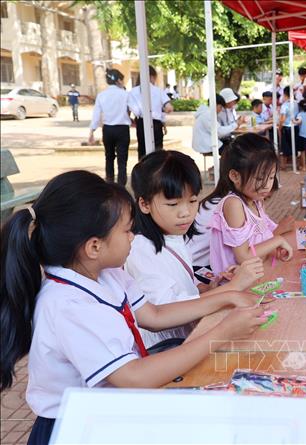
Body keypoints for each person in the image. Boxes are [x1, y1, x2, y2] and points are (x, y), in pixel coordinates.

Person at [0, 170, 269, 444]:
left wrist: (227, 296)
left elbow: (154, 314)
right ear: (94, 246)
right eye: (127, 231)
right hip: (75, 429)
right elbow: (134, 376)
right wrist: (222, 333)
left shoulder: (106, 272)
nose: (133, 237)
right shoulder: (68, 306)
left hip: (106, 412)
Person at [125, 150, 264, 349]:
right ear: (144, 204)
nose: (186, 213)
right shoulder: (140, 250)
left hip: (191, 336)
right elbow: (164, 311)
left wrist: (209, 288)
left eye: (192, 201)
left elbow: (181, 290)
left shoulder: (171, 235)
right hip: (168, 350)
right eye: (173, 204)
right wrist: (231, 289)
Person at [188, 135, 294, 275]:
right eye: (260, 178)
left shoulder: (255, 199)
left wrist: (274, 245)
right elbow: (244, 257)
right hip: (227, 279)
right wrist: (277, 240)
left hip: (254, 273)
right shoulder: (233, 204)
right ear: (235, 176)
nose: (267, 185)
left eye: (271, 177)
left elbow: (263, 234)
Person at [88, 69, 131, 186]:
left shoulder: (101, 95)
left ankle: (110, 184)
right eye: (122, 80)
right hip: (122, 129)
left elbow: (96, 115)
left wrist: (92, 132)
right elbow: (135, 109)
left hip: (108, 130)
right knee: (122, 160)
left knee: (109, 157)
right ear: (118, 80)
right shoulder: (125, 94)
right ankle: (121, 187)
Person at [128, 65, 173, 159]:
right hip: (156, 123)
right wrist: (161, 111)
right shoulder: (158, 91)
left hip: (141, 123)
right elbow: (169, 108)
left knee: (142, 149)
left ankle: (143, 171)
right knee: (158, 151)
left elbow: (135, 111)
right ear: (152, 76)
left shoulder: (133, 92)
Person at [279, 86, 300, 168]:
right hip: (295, 126)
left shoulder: (285, 105)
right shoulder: (296, 103)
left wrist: (280, 128)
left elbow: (282, 119)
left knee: (285, 147)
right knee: (294, 145)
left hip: (286, 127)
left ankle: (283, 166)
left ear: (284, 94)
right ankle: (296, 164)